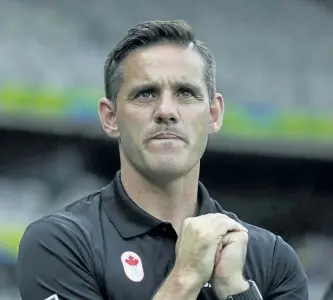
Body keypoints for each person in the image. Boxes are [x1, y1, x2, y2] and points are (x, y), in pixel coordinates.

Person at [17, 20, 308, 300]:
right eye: (145, 94)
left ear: (213, 114)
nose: (166, 110)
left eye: (185, 93)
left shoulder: (272, 258)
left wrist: (236, 291)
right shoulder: (60, 243)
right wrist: (187, 276)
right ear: (110, 117)